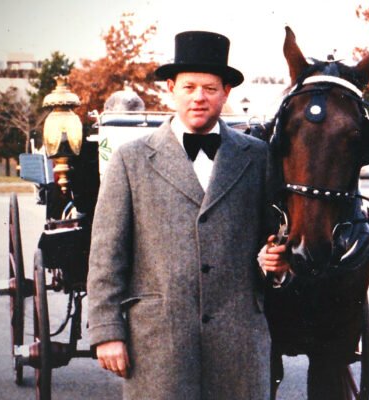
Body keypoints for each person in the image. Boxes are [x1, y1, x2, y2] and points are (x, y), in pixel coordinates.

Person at [87, 30, 290, 400]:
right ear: (171, 88)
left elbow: (276, 238)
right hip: (159, 347)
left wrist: (274, 262)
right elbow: (106, 255)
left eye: (210, 88)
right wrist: (107, 332)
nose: (199, 97)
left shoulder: (258, 156)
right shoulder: (130, 159)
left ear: (226, 93)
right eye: (190, 86)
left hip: (239, 344)